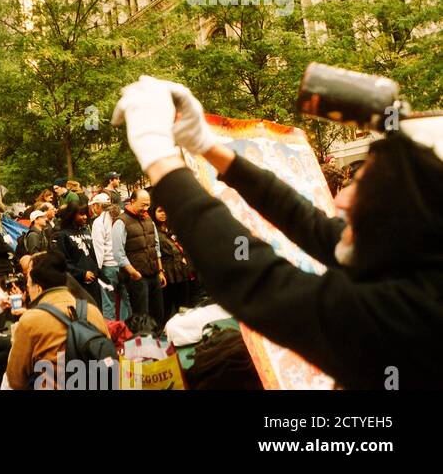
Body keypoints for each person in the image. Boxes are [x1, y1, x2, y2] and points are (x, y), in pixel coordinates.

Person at [114, 75, 443, 388]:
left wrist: (157, 154)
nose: (340, 200)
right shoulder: (417, 262)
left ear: (409, 216)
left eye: (364, 188)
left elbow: (254, 279)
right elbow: (305, 220)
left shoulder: (412, 316)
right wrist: (206, 144)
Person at [5, 251, 111, 390]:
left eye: (29, 283)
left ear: (38, 288)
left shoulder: (30, 320)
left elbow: (16, 380)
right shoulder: (92, 311)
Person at [111, 189, 164, 322]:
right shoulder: (120, 222)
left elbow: (156, 246)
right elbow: (118, 253)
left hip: (154, 274)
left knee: (158, 314)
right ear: (132, 201)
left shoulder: (149, 219)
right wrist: (133, 273)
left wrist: (161, 271)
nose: (146, 208)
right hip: (137, 278)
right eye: (143, 205)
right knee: (142, 317)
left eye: (148, 205)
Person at [153, 206, 199, 322]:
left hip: (182, 269)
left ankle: (185, 323)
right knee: (167, 303)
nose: (163, 214)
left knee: (184, 302)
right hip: (167, 271)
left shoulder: (172, 227)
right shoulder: (153, 230)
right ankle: (165, 327)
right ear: (154, 213)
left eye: (165, 210)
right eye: (159, 211)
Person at [88, 193, 128, 321]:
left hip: (108, 267)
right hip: (125, 265)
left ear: (97, 206)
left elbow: (99, 247)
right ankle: (128, 329)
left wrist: (97, 269)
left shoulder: (99, 222)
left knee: (108, 303)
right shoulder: (122, 216)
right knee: (126, 301)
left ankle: (111, 332)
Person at [57, 204, 103, 306]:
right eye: (81, 214)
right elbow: (63, 261)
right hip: (77, 284)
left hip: (93, 281)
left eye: (85, 214)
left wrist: (98, 272)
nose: (85, 217)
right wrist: (81, 274)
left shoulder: (86, 231)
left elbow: (92, 255)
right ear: (72, 215)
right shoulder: (63, 235)